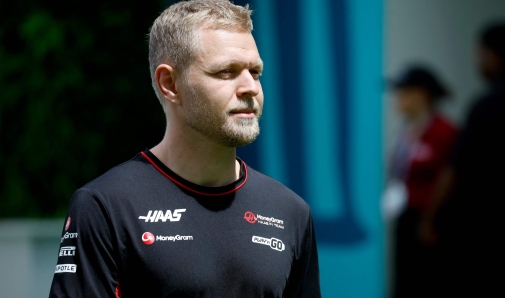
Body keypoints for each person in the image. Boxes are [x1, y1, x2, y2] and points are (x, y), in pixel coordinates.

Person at [49, 1, 321, 297]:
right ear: (170, 84)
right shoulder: (105, 207)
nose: (250, 88)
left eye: (255, 72)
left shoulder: (290, 212)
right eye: (226, 71)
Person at [423, 23, 505, 296]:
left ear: (493, 56)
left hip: (484, 230)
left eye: (480, 53)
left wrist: (430, 219)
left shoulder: (487, 106)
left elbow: (455, 170)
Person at [386, 66, 458, 298]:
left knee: (427, 283)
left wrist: (430, 221)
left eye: (404, 91)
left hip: (432, 225)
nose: (398, 98)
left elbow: (450, 179)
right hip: (405, 220)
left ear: (422, 94)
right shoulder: (404, 131)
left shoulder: (444, 132)